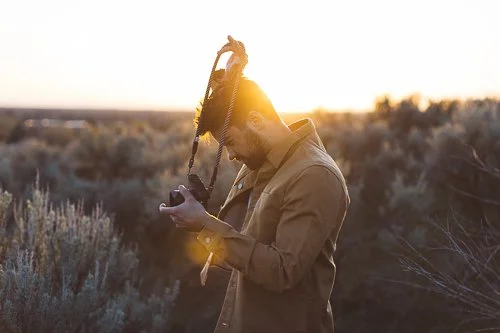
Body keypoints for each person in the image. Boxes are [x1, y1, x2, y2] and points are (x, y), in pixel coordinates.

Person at [159, 73, 350, 333]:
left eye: (230, 142)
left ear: (256, 121)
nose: (231, 155)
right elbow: (248, 237)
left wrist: (205, 224)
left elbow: (282, 270)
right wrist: (226, 82)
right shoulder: (264, 161)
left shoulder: (314, 175)